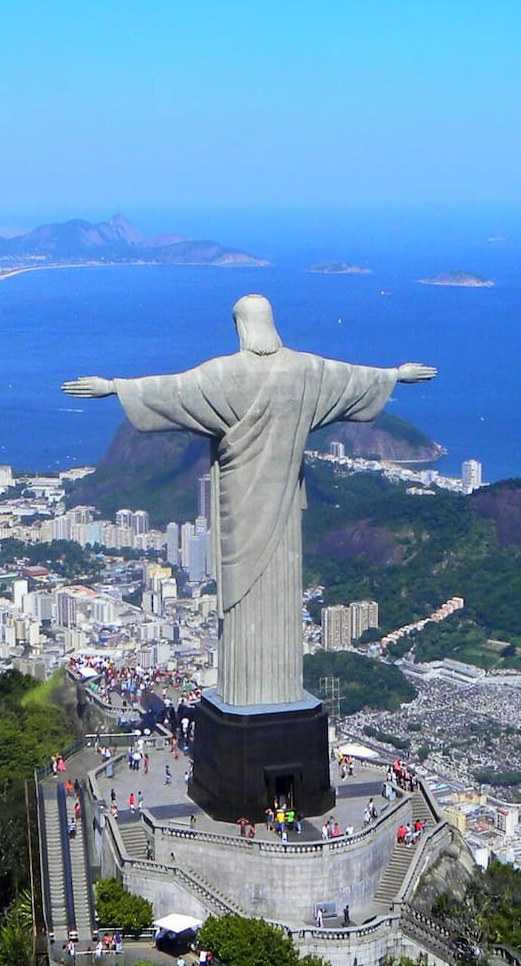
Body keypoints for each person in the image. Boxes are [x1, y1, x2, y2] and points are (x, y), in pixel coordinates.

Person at [63, 296, 436, 708]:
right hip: (284, 506)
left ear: (241, 327)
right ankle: (276, 693)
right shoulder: (306, 371)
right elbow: (351, 379)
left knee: (242, 595)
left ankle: (247, 694)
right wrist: (395, 375)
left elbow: (172, 391)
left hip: (239, 506)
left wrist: (115, 387)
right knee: (278, 589)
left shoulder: (223, 374)